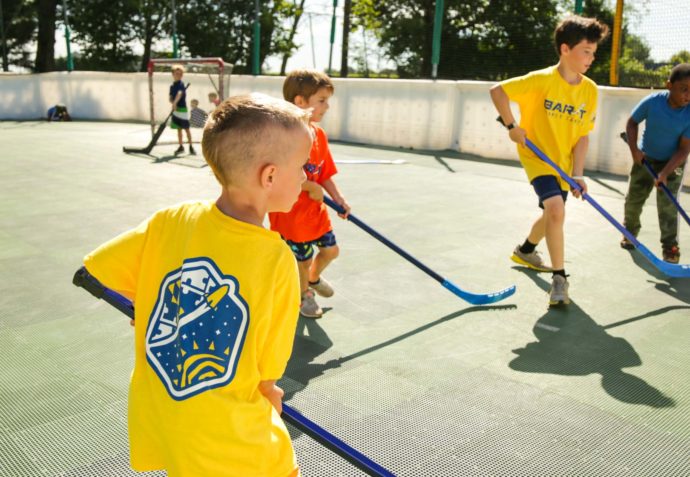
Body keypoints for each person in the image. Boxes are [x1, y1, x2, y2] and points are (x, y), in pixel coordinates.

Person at [81, 93, 313, 477]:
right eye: (303, 166)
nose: (306, 176)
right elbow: (267, 374)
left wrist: (149, 311)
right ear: (269, 176)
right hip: (232, 442)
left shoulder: (171, 220)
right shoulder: (275, 260)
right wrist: (272, 397)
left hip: (168, 420)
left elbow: (100, 272)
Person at [490, 15, 609, 306]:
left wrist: (578, 175)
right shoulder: (541, 80)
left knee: (550, 215)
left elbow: (583, 136)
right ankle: (560, 279)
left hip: (563, 163)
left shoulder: (590, 90)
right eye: (586, 51)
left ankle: (526, 250)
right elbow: (498, 92)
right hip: (537, 157)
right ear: (565, 49)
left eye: (594, 53)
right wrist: (511, 127)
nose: (591, 58)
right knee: (556, 209)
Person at [269, 69, 351, 318]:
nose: (327, 106)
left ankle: (314, 279)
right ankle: (305, 295)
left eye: (327, 100)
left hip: (315, 212)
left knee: (330, 251)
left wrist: (337, 198)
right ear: (300, 102)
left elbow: (324, 172)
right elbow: (279, 173)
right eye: (321, 100)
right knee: (301, 262)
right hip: (290, 215)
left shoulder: (319, 134)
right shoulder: (285, 136)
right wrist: (308, 186)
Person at [620, 63, 690, 264]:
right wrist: (635, 150)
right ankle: (630, 232)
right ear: (669, 85)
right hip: (645, 159)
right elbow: (632, 123)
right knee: (634, 199)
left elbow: (684, 149)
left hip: (673, 163)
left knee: (668, 205)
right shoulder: (652, 102)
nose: (688, 95)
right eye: (683, 89)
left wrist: (665, 173)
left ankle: (670, 246)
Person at [169, 64, 195, 155]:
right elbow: (170, 97)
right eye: (177, 73)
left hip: (182, 109)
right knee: (178, 129)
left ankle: (191, 146)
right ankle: (181, 146)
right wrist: (172, 103)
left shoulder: (181, 84)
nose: (179, 75)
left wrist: (175, 103)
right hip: (176, 110)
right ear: (173, 74)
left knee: (186, 129)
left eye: (180, 74)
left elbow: (179, 94)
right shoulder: (172, 86)